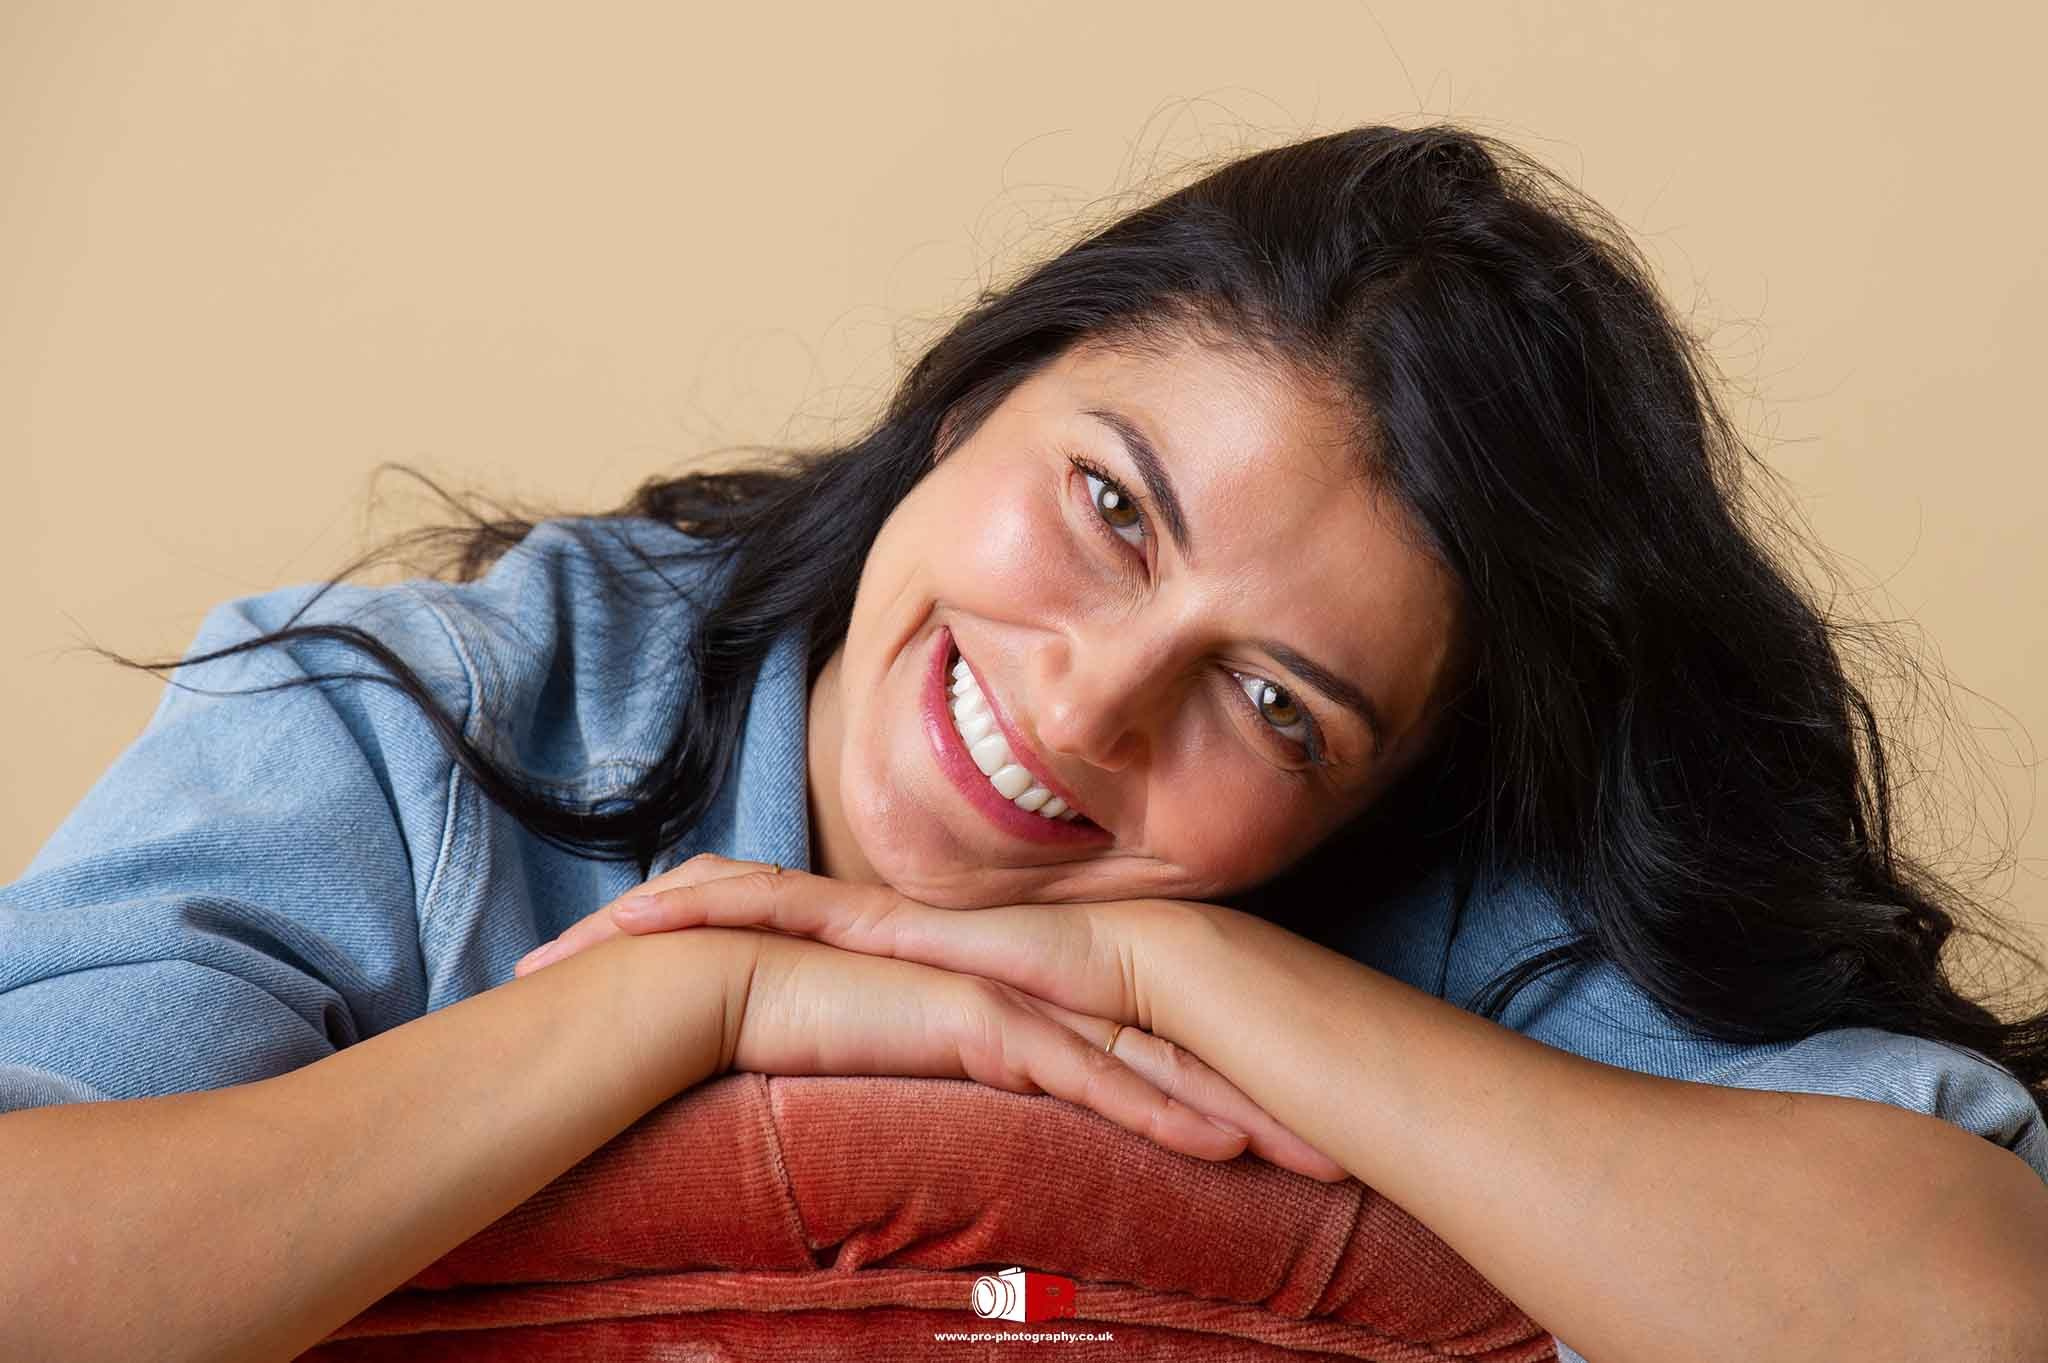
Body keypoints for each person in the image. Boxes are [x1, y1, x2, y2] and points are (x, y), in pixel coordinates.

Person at [2, 121, 2044, 1363]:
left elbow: (1965, 1323)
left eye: (1272, 704)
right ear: (984, 383)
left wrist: (1172, 966)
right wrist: (701, 1005)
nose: (1082, 704)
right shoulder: (438, 710)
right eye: (1110, 505)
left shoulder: (1444, 908)